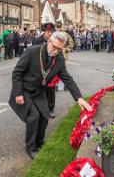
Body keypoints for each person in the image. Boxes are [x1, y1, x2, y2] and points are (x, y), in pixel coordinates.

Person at [9, 31, 92, 160]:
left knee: (45, 115)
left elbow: (67, 79)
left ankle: (40, 142)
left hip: (39, 92)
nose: (55, 51)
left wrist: (79, 98)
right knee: (34, 117)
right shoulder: (32, 51)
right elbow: (17, 73)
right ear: (49, 42)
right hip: (24, 90)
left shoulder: (59, 59)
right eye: (54, 47)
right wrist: (18, 93)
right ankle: (31, 148)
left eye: (59, 49)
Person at [34, 22, 56, 118]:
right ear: (44, 31)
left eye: (51, 31)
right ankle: (40, 108)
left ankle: (50, 108)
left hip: (51, 68)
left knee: (50, 90)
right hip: (40, 68)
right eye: (48, 31)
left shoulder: (55, 40)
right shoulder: (38, 40)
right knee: (40, 89)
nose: (50, 33)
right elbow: (34, 54)